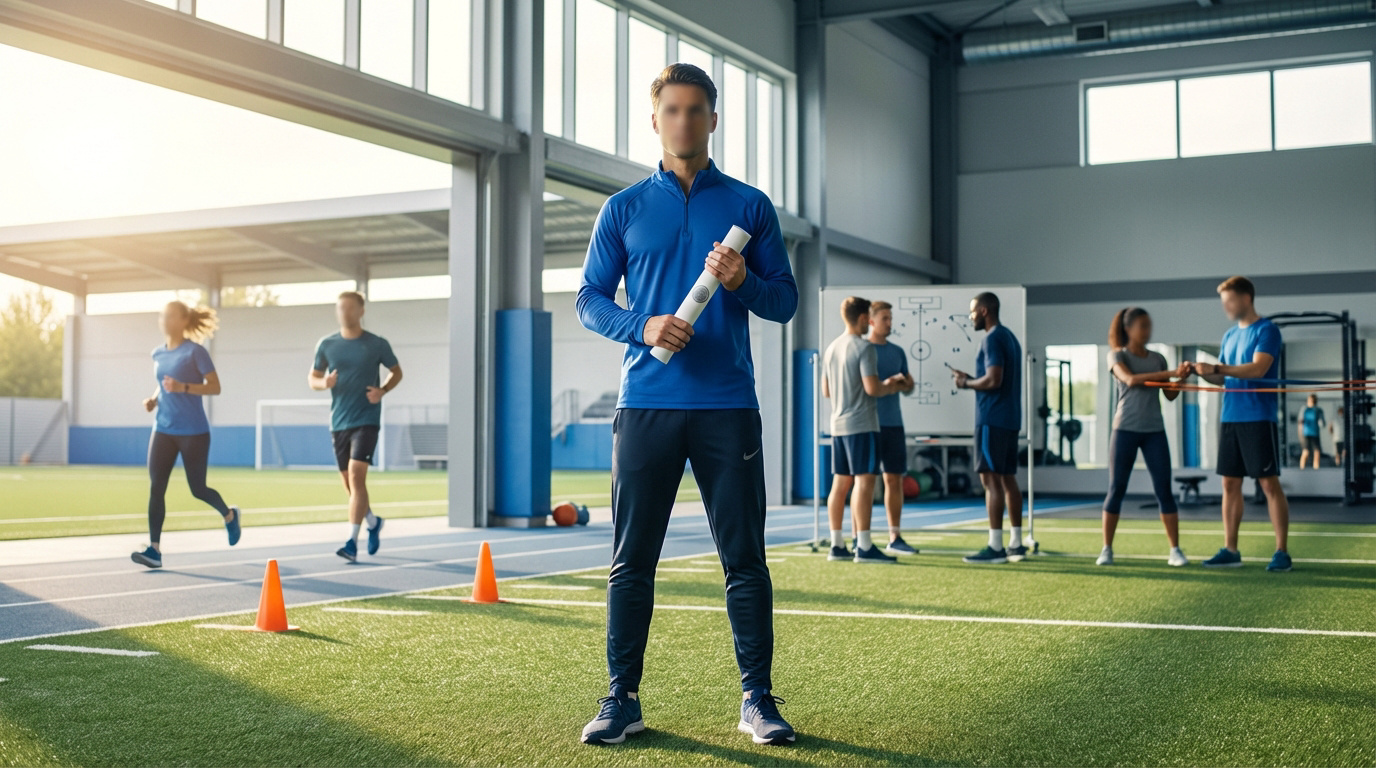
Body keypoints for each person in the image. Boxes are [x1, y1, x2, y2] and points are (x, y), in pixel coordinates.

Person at [575, 63, 799, 746]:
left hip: (728, 407)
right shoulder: (623, 209)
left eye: (696, 109)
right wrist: (640, 326)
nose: (684, 121)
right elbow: (588, 298)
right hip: (647, 403)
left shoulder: (750, 207)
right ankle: (622, 700)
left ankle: (757, 700)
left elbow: (784, 302)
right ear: (655, 119)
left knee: (744, 560)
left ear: (713, 118)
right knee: (630, 560)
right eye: (671, 110)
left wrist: (741, 281)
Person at [1187, 276, 1291, 572]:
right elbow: (1221, 378)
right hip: (1230, 416)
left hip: (1259, 416)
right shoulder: (1229, 336)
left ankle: (1282, 552)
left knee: (1268, 483)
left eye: (1230, 300)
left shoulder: (1267, 330)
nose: (1226, 307)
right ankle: (1231, 549)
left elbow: (1258, 368)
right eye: (1224, 302)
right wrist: (1201, 371)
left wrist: (1218, 367)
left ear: (1247, 298)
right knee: (1229, 483)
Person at [132, 301, 240, 569]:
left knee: (198, 489)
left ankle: (229, 515)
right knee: (157, 487)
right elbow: (163, 384)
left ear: (183, 320)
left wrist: (184, 387)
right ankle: (154, 550)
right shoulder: (157, 353)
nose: (165, 320)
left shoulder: (196, 352)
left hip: (194, 431)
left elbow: (215, 387)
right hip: (163, 429)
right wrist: (154, 399)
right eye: (162, 316)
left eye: (170, 316)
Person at [308, 291, 402, 564]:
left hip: (367, 418)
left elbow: (397, 371)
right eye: (340, 308)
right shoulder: (327, 344)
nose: (345, 312)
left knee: (357, 476)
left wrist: (382, 390)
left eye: (350, 308)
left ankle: (351, 541)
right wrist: (323, 383)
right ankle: (373, 521)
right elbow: (312, 378)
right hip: (339, 422)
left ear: (361, 311)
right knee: (350, 485)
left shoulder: (376, 344)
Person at [1097, 307, 1191, 567]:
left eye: (1149, 326)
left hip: (1154, 432)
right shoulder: (1116, 355)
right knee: (1116, 489)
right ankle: (1106, 549)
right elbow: (1130, 380)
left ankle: (1175, 550)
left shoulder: (1158, 359)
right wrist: (1170, 374)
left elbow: (1170, 395)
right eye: (1142, 326)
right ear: (1128, 329)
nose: (1148, 331)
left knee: (1164, 491)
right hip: (1125, 429)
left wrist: (1181, 379)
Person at [823, 297, 909, 565]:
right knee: (864, 482)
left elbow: (826, 391)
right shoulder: (864, 348)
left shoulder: (832, 347)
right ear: (863, 318)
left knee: (840, 484)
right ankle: (864, 545)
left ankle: (838, 545)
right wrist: (893, 385)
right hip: (862, 425)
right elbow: (873, 389)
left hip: (838, 425)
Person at [950, 292, 1024, 564]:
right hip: (1009, 419)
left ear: (983, 311)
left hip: (992, 420)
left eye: (971, 312)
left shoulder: (992, 339)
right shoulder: (1009, 337)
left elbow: (993, 380)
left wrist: (966, 384)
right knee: (1006, 479)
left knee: (990, 480)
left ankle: (995, 547)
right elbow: (996, 379)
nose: (969, 318)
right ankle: (1015, 543)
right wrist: (971, 379)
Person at [865, 300, 919, 555]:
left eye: (890, 318)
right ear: (871, 321)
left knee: (894, 480)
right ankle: (860, 538)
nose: (889, 323)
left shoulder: (897, 352)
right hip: (869, 425)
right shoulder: (863, 349)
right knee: (864, 482)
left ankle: (894, 536)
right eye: (884, 318)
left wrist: (906, 384)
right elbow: (864, 389)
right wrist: (885, 384)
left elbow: (909, 388)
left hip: (894, 424)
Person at [1298, 394, 1325, 469]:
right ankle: (1301, 469)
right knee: (1306, 452)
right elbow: (1300, 422)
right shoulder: (1304, 409)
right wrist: (1300, 433)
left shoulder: (1318, 410)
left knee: (1317, 452)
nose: (1310, 402)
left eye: (1312, 400)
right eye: (1309, 400)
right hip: (1306, 434)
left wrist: (1320, 422)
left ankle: (1316, 470)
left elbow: (1322, 423)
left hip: (1315, 434)